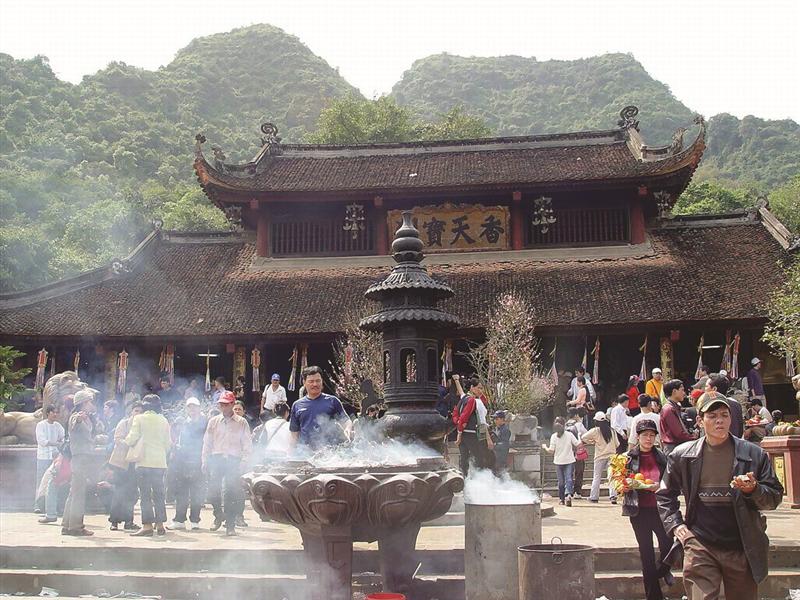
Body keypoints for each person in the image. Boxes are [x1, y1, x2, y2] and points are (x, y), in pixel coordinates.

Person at [657, 392, 783, 600]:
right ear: (700, 420)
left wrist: (753, 489)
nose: (719, 421)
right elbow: (664, 495)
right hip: (700, 542)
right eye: (712, 415)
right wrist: (677, 527)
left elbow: (775, 497)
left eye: (724, 415)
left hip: (742, 544)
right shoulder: (683, 455)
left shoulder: (754, 454)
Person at [621, 420, 673, 600]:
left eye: (652, 435)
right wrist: (625, 487)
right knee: (646, 552)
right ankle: (653, 596)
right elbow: (619, 481)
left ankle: (662, 571)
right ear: (638, 437)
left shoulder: (662, 457)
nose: (648, 439)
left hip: (660, 509)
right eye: (645, 435)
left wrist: (661, 486)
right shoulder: (628, 458)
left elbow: (672, 482)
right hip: (639, 510)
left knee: (668, 545)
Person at [202, 390, 252, 536]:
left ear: (232, 404)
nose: (222, 407)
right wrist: (204, 460)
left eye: (225, 404)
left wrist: (244, 462)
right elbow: (207, 442)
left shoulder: (241, 422)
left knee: (231, 493)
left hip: (233, 460)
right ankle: (218, 514)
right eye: (221, 404)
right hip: (216, 458)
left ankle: (230, 525)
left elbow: (247, 444)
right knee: (212, 491)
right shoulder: (213, 421)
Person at [125, 395, 171, 537]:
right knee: (159, 494)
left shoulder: (138, 419)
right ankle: (160, 524)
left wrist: (125, 441)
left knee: (145, 494)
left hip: (143, 462)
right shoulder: (164, 420)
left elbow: (132, 439)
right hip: (159, 462)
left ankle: (147, 526)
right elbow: (168, 444)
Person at [288, 366, 352, 452]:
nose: (315, 384)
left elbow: (345, 420)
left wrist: (347, 429)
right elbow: (294, 434)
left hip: (328, 453)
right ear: (304, 382)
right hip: (305, 452)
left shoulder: (332, 401)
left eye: (318, 381)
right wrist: (291, 452)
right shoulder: (297, 405)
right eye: (311, 381)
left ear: (322, 381)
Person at [170, 397, 207, 531]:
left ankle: (195, 520)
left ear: (199, 408)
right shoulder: (184, 423)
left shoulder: (205, 423)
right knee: (182, 492)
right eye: (189, 407)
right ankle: (179, 520)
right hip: (183, 461)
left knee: (197, 492)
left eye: (194, 407)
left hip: (198, 461)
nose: (192, 410)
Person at [107, 401, 143, 531]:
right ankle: (114, 521)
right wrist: (131, 444)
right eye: (136, 411)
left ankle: (129, 521)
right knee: (119, 492)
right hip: (121, 463)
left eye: (140, 411)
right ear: (131, 412)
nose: (138, 414)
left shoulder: (142, 426)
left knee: (132, 494)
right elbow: (117, 439)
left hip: (135, 463)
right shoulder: (124, 423)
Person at [452, 374, 493, 476]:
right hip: (472, 434)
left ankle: (465, 483)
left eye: (482, 388)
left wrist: (456, 380)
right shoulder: (475, 401)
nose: (481, 390)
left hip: (464, 434)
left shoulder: (464, 398)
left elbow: (456, 415)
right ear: (472, 388)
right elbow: (481, 422)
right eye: (479, 388)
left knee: (464, 461)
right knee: (480, 459)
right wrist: (488, 439)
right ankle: (479, 482)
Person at [581, 411, 620, 504]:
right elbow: (617, 444)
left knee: (596, 477)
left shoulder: (595, 431)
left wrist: (592, 442)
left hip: (599, 456)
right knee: (612, 477)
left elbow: (583, 437)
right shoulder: (612, 430)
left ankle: (594, 497)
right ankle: (613, 496)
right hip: (612, 456)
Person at [542, 418, 580, 506]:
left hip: (563, 461)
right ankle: (565, 496)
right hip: (565, 461)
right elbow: (577, 444)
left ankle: (564, 497)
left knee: (563, 480)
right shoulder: (565, 435)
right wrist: (580, 437)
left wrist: (544, 447)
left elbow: (551, 450)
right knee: (566, 480)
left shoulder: (556, 436)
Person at [34, 406, 65, 513]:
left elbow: (63, 438)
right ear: (48, 413)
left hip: (55, 458)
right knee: (40, 481)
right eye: (53, 412)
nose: (55, 414)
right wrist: (56, 443)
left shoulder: (58, 426)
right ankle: (37, 505)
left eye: (57, 412)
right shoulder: (41, 425)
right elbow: (42, 441)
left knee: (53, 482)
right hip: (43, 457)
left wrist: (60, 443)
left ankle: (51, 505)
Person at [660, 379, 695, 454]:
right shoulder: (669, 409)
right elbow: (679, 433)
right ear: (674, 392)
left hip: (677, 446)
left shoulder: (674, 407)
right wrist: (694, 438)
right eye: (682, 390)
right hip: (673, 448)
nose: (684, 393)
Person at [705, 373, 744, 438]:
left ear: (714, 389)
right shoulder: (735, 403)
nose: (704, 389)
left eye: (706, 386)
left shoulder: (729, 405)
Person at [565, 407, 588, 498]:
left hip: (567, 452)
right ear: (576, 415)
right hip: (578, 452)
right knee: (579, 471)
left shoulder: (564, 425)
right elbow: (586, 435)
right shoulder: (579, 425)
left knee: (568, 472)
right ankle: (577, 492)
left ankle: (568, 492)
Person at [490, 410, 512, 475]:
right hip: (495, 457)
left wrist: (494, 446)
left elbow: (505, 444)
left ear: (502, 419)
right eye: (494, 419)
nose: (495, 421)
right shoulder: (497, 429)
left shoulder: (505, 430)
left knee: (500, 475)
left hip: (501, 458)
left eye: (497, 419)